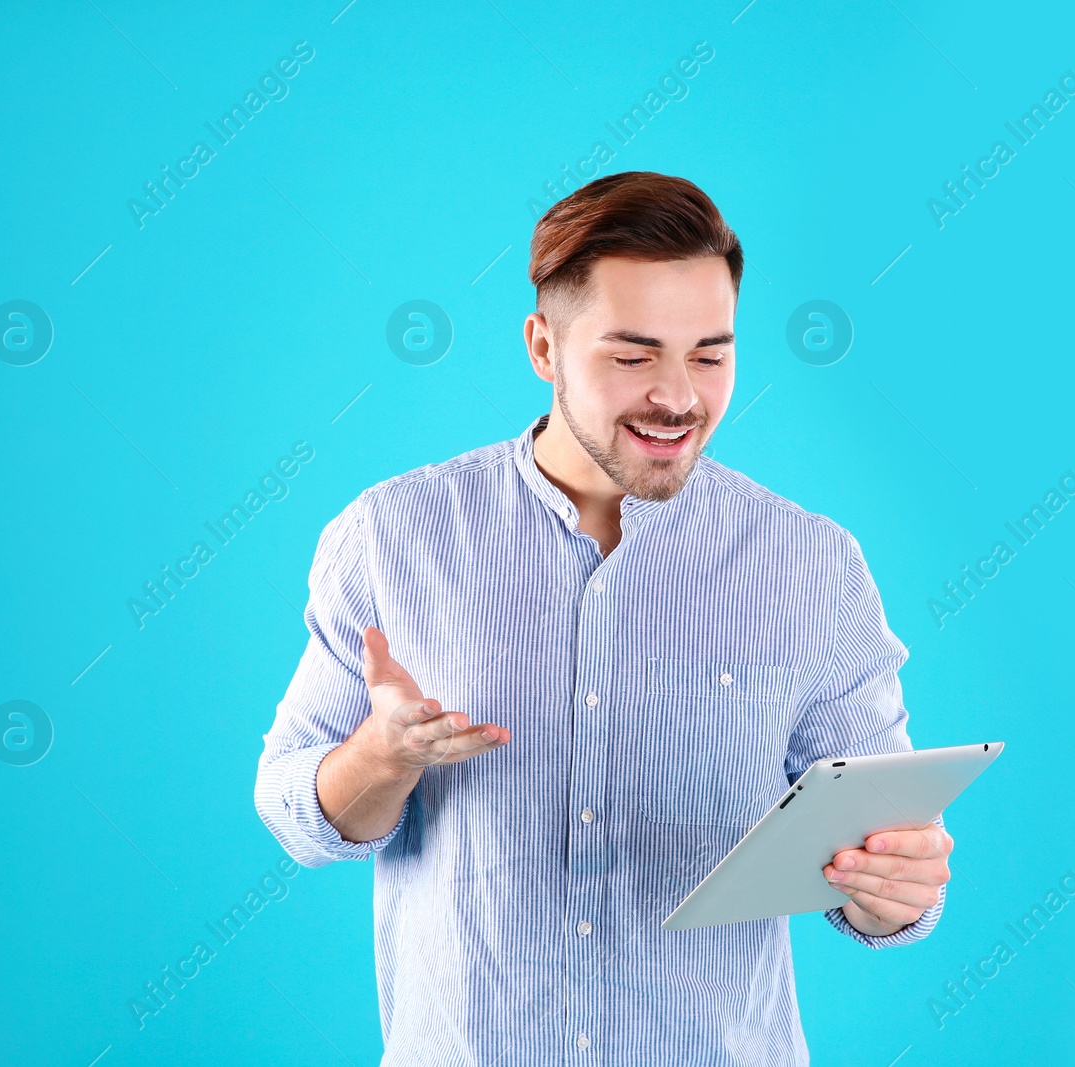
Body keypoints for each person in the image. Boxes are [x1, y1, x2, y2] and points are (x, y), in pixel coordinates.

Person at [254, 170, 953, 1064]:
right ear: (544, 346)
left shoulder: (811, 564)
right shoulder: (393, 535)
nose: (678, 395)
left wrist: (897, 885)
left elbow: (884, 852)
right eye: (633, 355)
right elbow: (293, 808)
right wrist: (380, 759)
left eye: (709, 353)